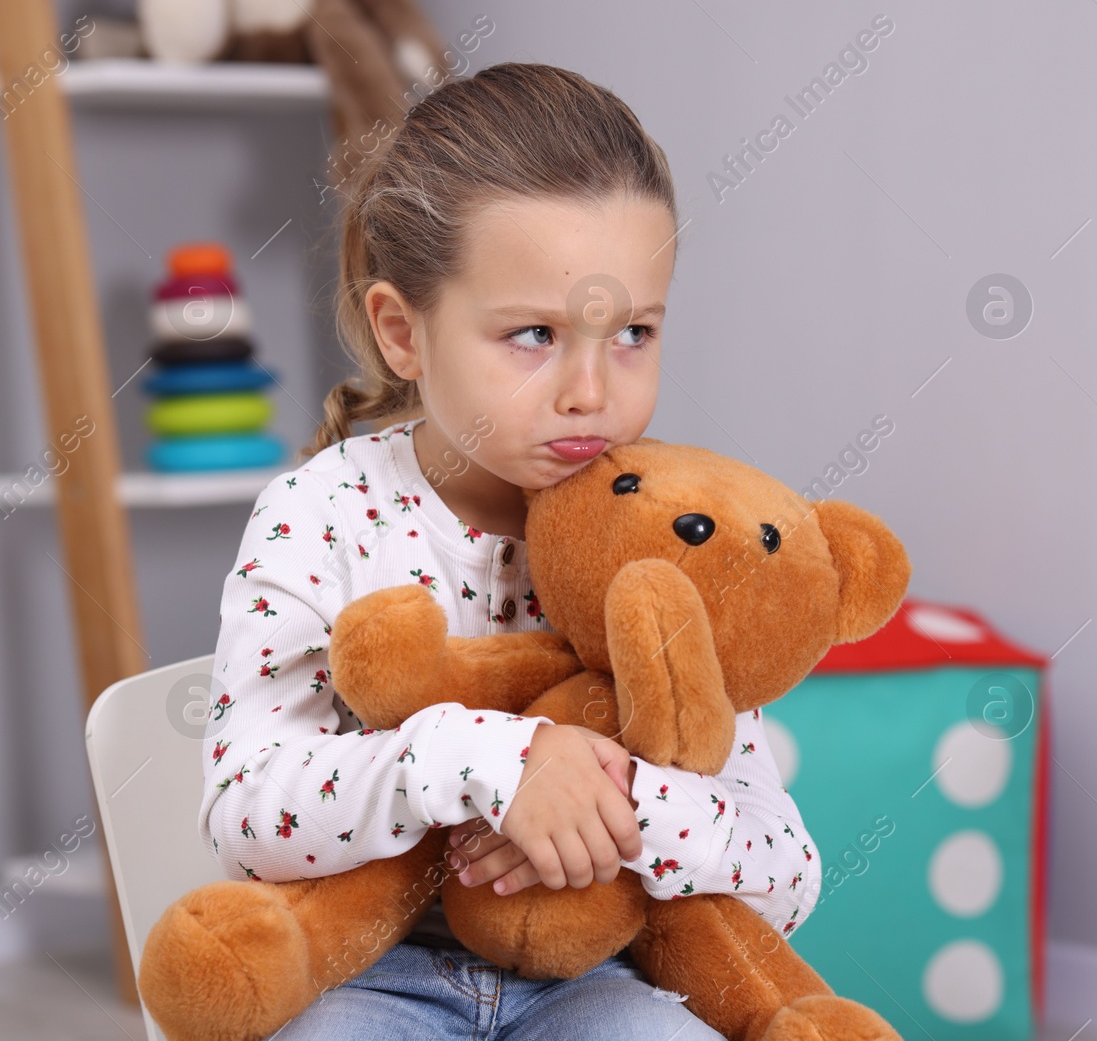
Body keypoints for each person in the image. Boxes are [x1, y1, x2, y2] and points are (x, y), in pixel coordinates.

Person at [198, 62, 820, 1039]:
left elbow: (784, 875)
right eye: (533, 332)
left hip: (595, 977)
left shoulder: (659, 531)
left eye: (633, 333)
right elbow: (247, 814)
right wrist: (490, 759)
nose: (590, 390)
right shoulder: (323, 513)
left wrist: (605, 810)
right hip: (363, 975)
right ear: (403, 331)